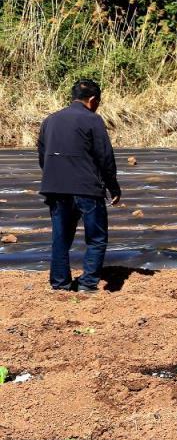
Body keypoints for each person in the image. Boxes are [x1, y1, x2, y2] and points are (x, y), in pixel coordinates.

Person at [36, 79, 121, 293]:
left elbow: (42, 156)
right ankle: (87, 283)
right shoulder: (93, 120)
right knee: (96, 237)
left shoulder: (50, 120)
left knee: (61, 237)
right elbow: (105, 157)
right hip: (86, 188)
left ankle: (60, 283)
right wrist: (114, 187)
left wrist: (53, 178)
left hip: (55, 187)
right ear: (92, 100)